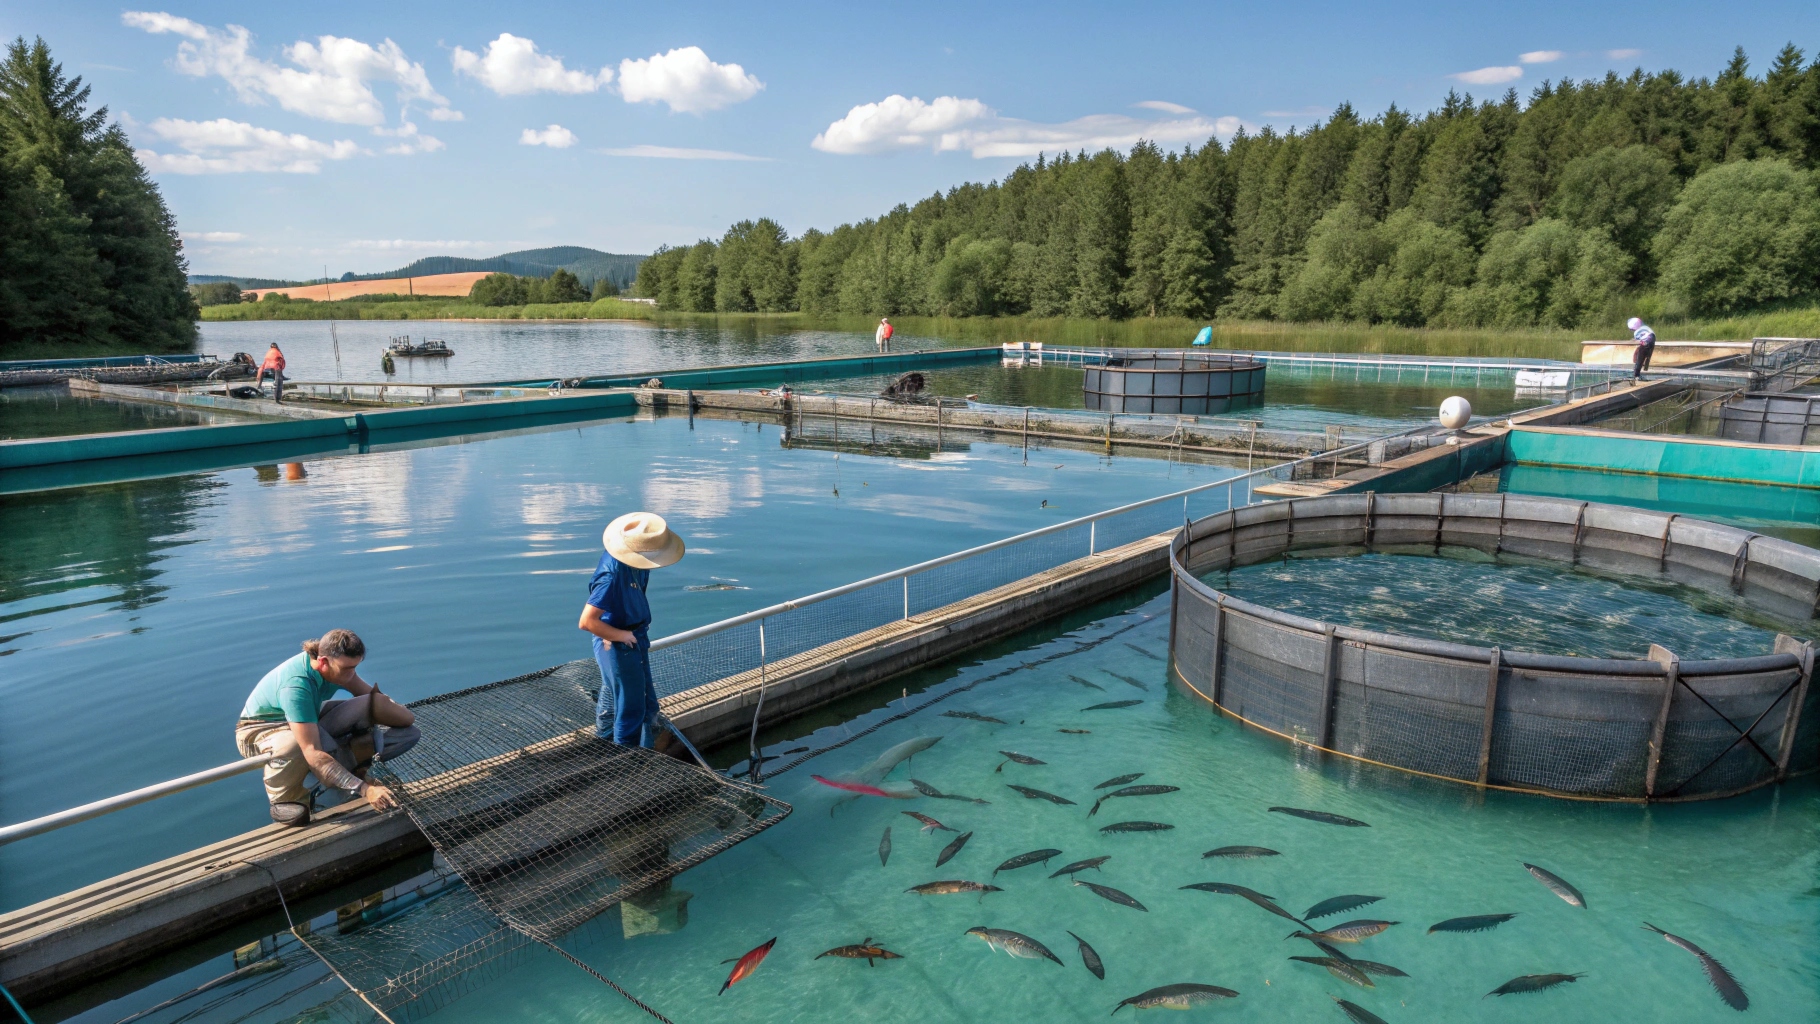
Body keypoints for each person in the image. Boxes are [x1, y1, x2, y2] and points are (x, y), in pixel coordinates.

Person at [235, 629, 420, 827]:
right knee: (294, 746)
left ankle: (352, 771)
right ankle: (285, 801)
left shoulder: (338, 669)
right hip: (259, 729)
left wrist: (395, 711)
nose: (352, 675)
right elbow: (312, 751)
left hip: (306, 716)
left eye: (355, 667)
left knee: (391, 719)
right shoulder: (295, 687)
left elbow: (376, 700)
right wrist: (366, 790)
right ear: (323, 662)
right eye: (347, 669)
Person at [580, 512, 686, 746]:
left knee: (635, 699)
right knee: (631, 708)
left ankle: (604, 741)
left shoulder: (638, 565)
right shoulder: (612, 575)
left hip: (634, 636)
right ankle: (624, 761)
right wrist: (621, 635)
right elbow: (587, 621)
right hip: (616, 641)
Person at [1627, 316, 1657, 380]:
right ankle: (1641, 368)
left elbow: (1639, 341)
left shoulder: (1636, 333)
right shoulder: (1646, 327)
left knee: (1639, 359)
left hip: (1645, 343)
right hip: (1652, 341)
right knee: (1645, 356)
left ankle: (1636, 375)